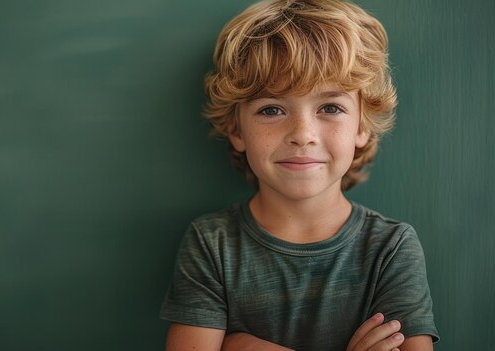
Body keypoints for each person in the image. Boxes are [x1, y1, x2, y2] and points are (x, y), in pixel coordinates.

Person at [159, 0, 439, 350]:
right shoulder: (211, 243)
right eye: (271, 109)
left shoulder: (391, 248)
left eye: (330, 107)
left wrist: (243, 346)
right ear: (236, 130)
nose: (302, 133)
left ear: (362, 126)